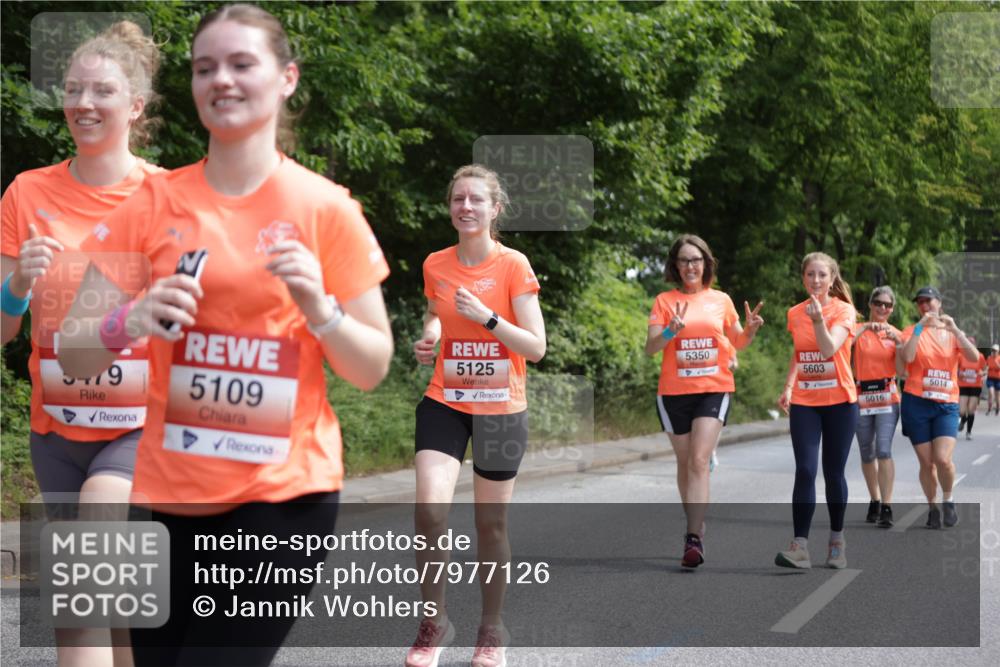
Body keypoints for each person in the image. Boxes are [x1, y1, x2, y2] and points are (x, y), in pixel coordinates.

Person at [57, 5, 393, 665]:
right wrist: (132, 318)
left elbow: (373, 365)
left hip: (282, 495)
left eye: (243, 64)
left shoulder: (324, 208)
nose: (222, 80)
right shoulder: (151, 204)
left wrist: (321, 311)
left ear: (286, 77)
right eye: (205, 67)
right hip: (167, 496)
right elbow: (73, 349)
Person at [1, 20, 161, 667]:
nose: (84, 103)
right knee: (99, 621)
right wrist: (16, 284)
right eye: (73, 89)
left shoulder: (167, 197)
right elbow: (4, 325)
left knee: (86, 579)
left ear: (136, 105)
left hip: (138, 429)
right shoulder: (27, 193)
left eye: (102, 90)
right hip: (56, 432)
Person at [408, 164, 545, 667]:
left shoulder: (513, 265)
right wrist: (432, 336)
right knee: (429, 511)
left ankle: (492, 629)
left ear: (494, 209)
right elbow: (435, 312)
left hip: (501, 409)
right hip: (445, 400)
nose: (465, 207)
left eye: (475, 200)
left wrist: (486, 317)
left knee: (490, 526)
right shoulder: (436, 264)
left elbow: (536, 347)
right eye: (457, 199)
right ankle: (434, 620)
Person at [645, 234, 764, 568]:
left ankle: (692, 538)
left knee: (698, 460)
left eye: (696, 260)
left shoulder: (721, 300)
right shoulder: (664, 301)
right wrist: (670, 331)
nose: (690, 266)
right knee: (685, 464)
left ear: (706, 264)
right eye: (683, 260)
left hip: (713, 388)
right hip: (673, 393)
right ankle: (696, 522)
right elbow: (651, 348)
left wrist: (750, 330)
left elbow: (737, 342)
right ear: (675, 266)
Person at [775, 252, 858, 569]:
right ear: (803, 277)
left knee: (833, 473)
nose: (816, 280)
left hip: (840, 403)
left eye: (822, 275)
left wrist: (819, 319)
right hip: (806, 403)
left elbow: (828, 348)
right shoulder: (795, 313)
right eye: (810, 274)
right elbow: (801, 353)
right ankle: (800, 546)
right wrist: (788, 386)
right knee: (805, 470)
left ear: (832, 278)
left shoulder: (844, 310)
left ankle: (837, 540)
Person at [898, 287, 979, 529]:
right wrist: (921, 327)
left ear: (939, 303)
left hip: (946, 404)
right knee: (927, 463)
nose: (924, 305)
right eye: (920, 302)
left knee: (943, 459)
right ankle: (932, 506)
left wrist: (955, 329)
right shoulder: (911, 331)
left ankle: (948, 499)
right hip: (917, 402)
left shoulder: (953, 333)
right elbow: (908, 358)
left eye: (928, 301)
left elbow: (974, 357)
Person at [851, 286, 904, 528]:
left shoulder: (896, 334)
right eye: (878, 303)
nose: (883, 308)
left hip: (887, 396)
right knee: (866, 451)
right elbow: (842, 345)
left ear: (892, 309)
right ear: (871, 305)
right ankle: (874, 498)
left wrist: (899, 345)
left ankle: (887, 506)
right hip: (861, 394)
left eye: (888, 305)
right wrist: (863, 329)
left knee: (883, 450)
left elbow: (903, 371)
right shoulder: (858, 330)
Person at [957, 336, 987, 439]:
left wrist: (981, 373)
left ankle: (968, 432)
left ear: (975, 345)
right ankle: (963, 421)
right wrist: (959, 373)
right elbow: (955, 369)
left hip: (975, 386)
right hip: (963, 385)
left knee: (970, 410)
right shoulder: (960, 356)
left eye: (971, 344)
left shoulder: (980, 356)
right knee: (961, 411)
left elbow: (984, 370)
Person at [987, 344, 1000, 416]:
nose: (993, 352)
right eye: (992, 350)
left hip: (998, 379)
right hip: (990, 378)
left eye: (995, 351)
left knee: (997, 396)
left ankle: (998, 408)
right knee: (991, 393)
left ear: (998, 351)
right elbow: (986, 366)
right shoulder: (989, 358)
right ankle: (989, 408)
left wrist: (996, 363)